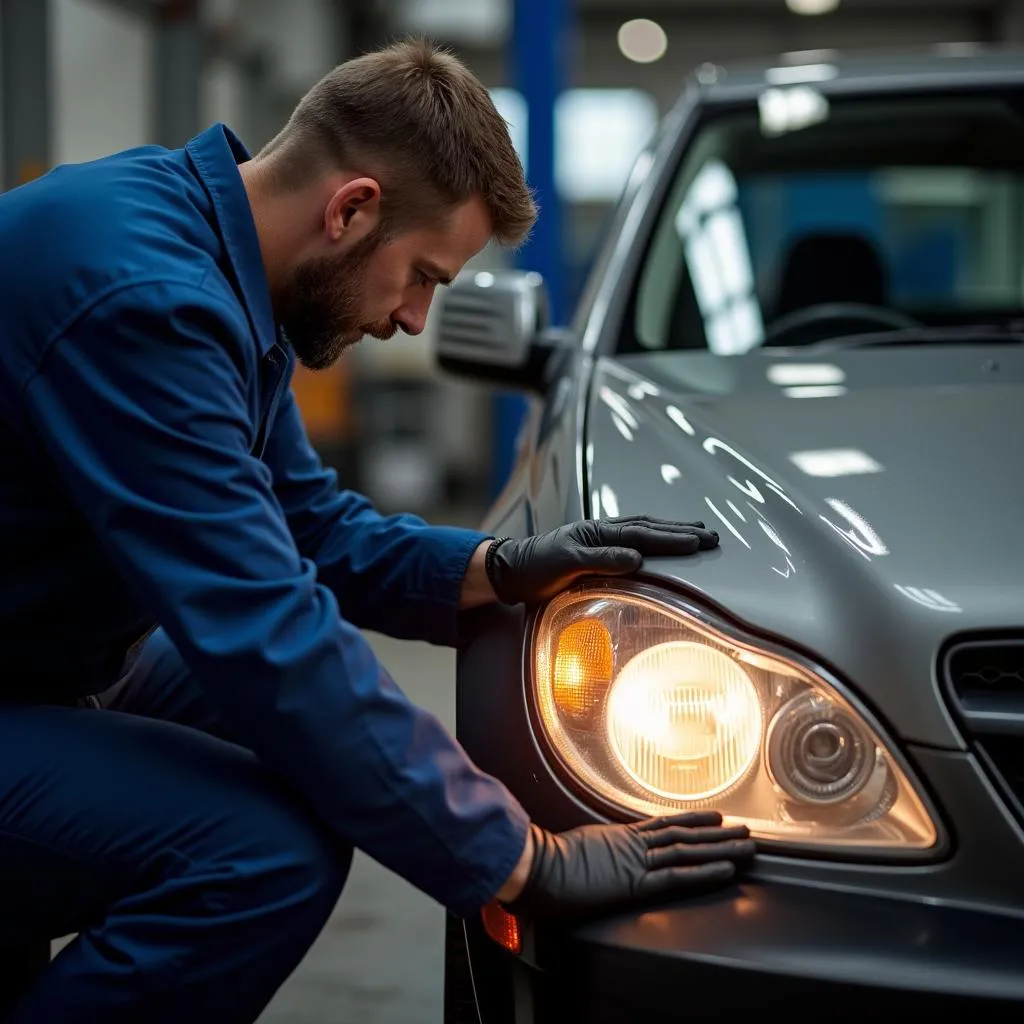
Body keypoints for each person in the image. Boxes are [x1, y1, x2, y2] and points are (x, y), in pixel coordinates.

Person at [0, 38, 755, 1023]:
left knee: (328, 748)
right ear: (352, 209)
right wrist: (523, 859)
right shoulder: (148, 301)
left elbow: (301, 519)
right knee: (260, 853)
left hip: (47, 656)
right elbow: (263, 628)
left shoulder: (211, 254)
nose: (412, 318)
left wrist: (494, 569)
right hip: (31, 673)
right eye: (422, 275)